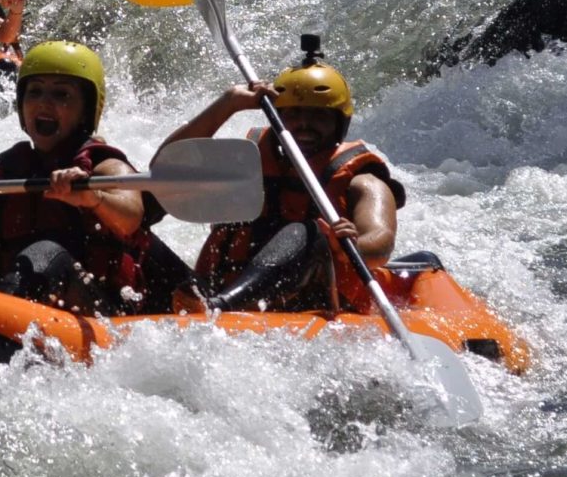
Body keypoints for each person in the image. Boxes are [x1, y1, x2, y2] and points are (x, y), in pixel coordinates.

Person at [0, 42, 193, 313]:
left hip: (100, 315)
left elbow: (130, 217)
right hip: (17, 318)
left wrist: (91, 197)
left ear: (85, 112)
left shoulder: (106, 168)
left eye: (61, 94)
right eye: (35, 92)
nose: (44, 102)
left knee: (44, 253)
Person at [157, 36, 403, 312]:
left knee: (310, 232)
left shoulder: (362, 180)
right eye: (293, 114)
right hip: (218, 289)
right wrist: (227, 105)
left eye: (318, 116)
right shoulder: (246, 161)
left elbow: (381, 243)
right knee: (138, 239)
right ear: (276, 117)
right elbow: (164, 171)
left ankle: (219, 306)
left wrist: (346, 244)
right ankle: (208, 303)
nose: (304, 125)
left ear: (339, 123)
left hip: (309, 302)